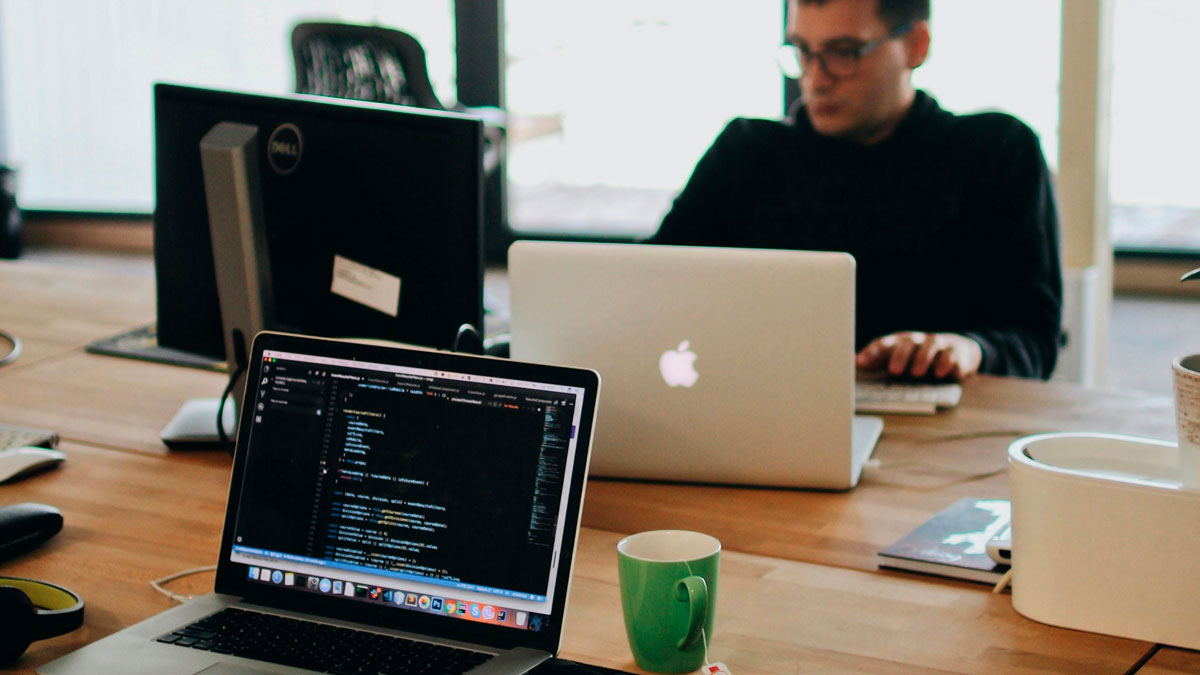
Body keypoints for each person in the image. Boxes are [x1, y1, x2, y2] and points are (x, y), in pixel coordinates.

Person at [648, 0, 1062, 381]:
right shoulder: (744, 153)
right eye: (802, 51)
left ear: (916, 46)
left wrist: (970, 350)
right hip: (764, 418)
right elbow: (649, 285)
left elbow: (1035, 340)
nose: (816, 78)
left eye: (844, 52)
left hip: (941, 439)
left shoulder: (997, 153)